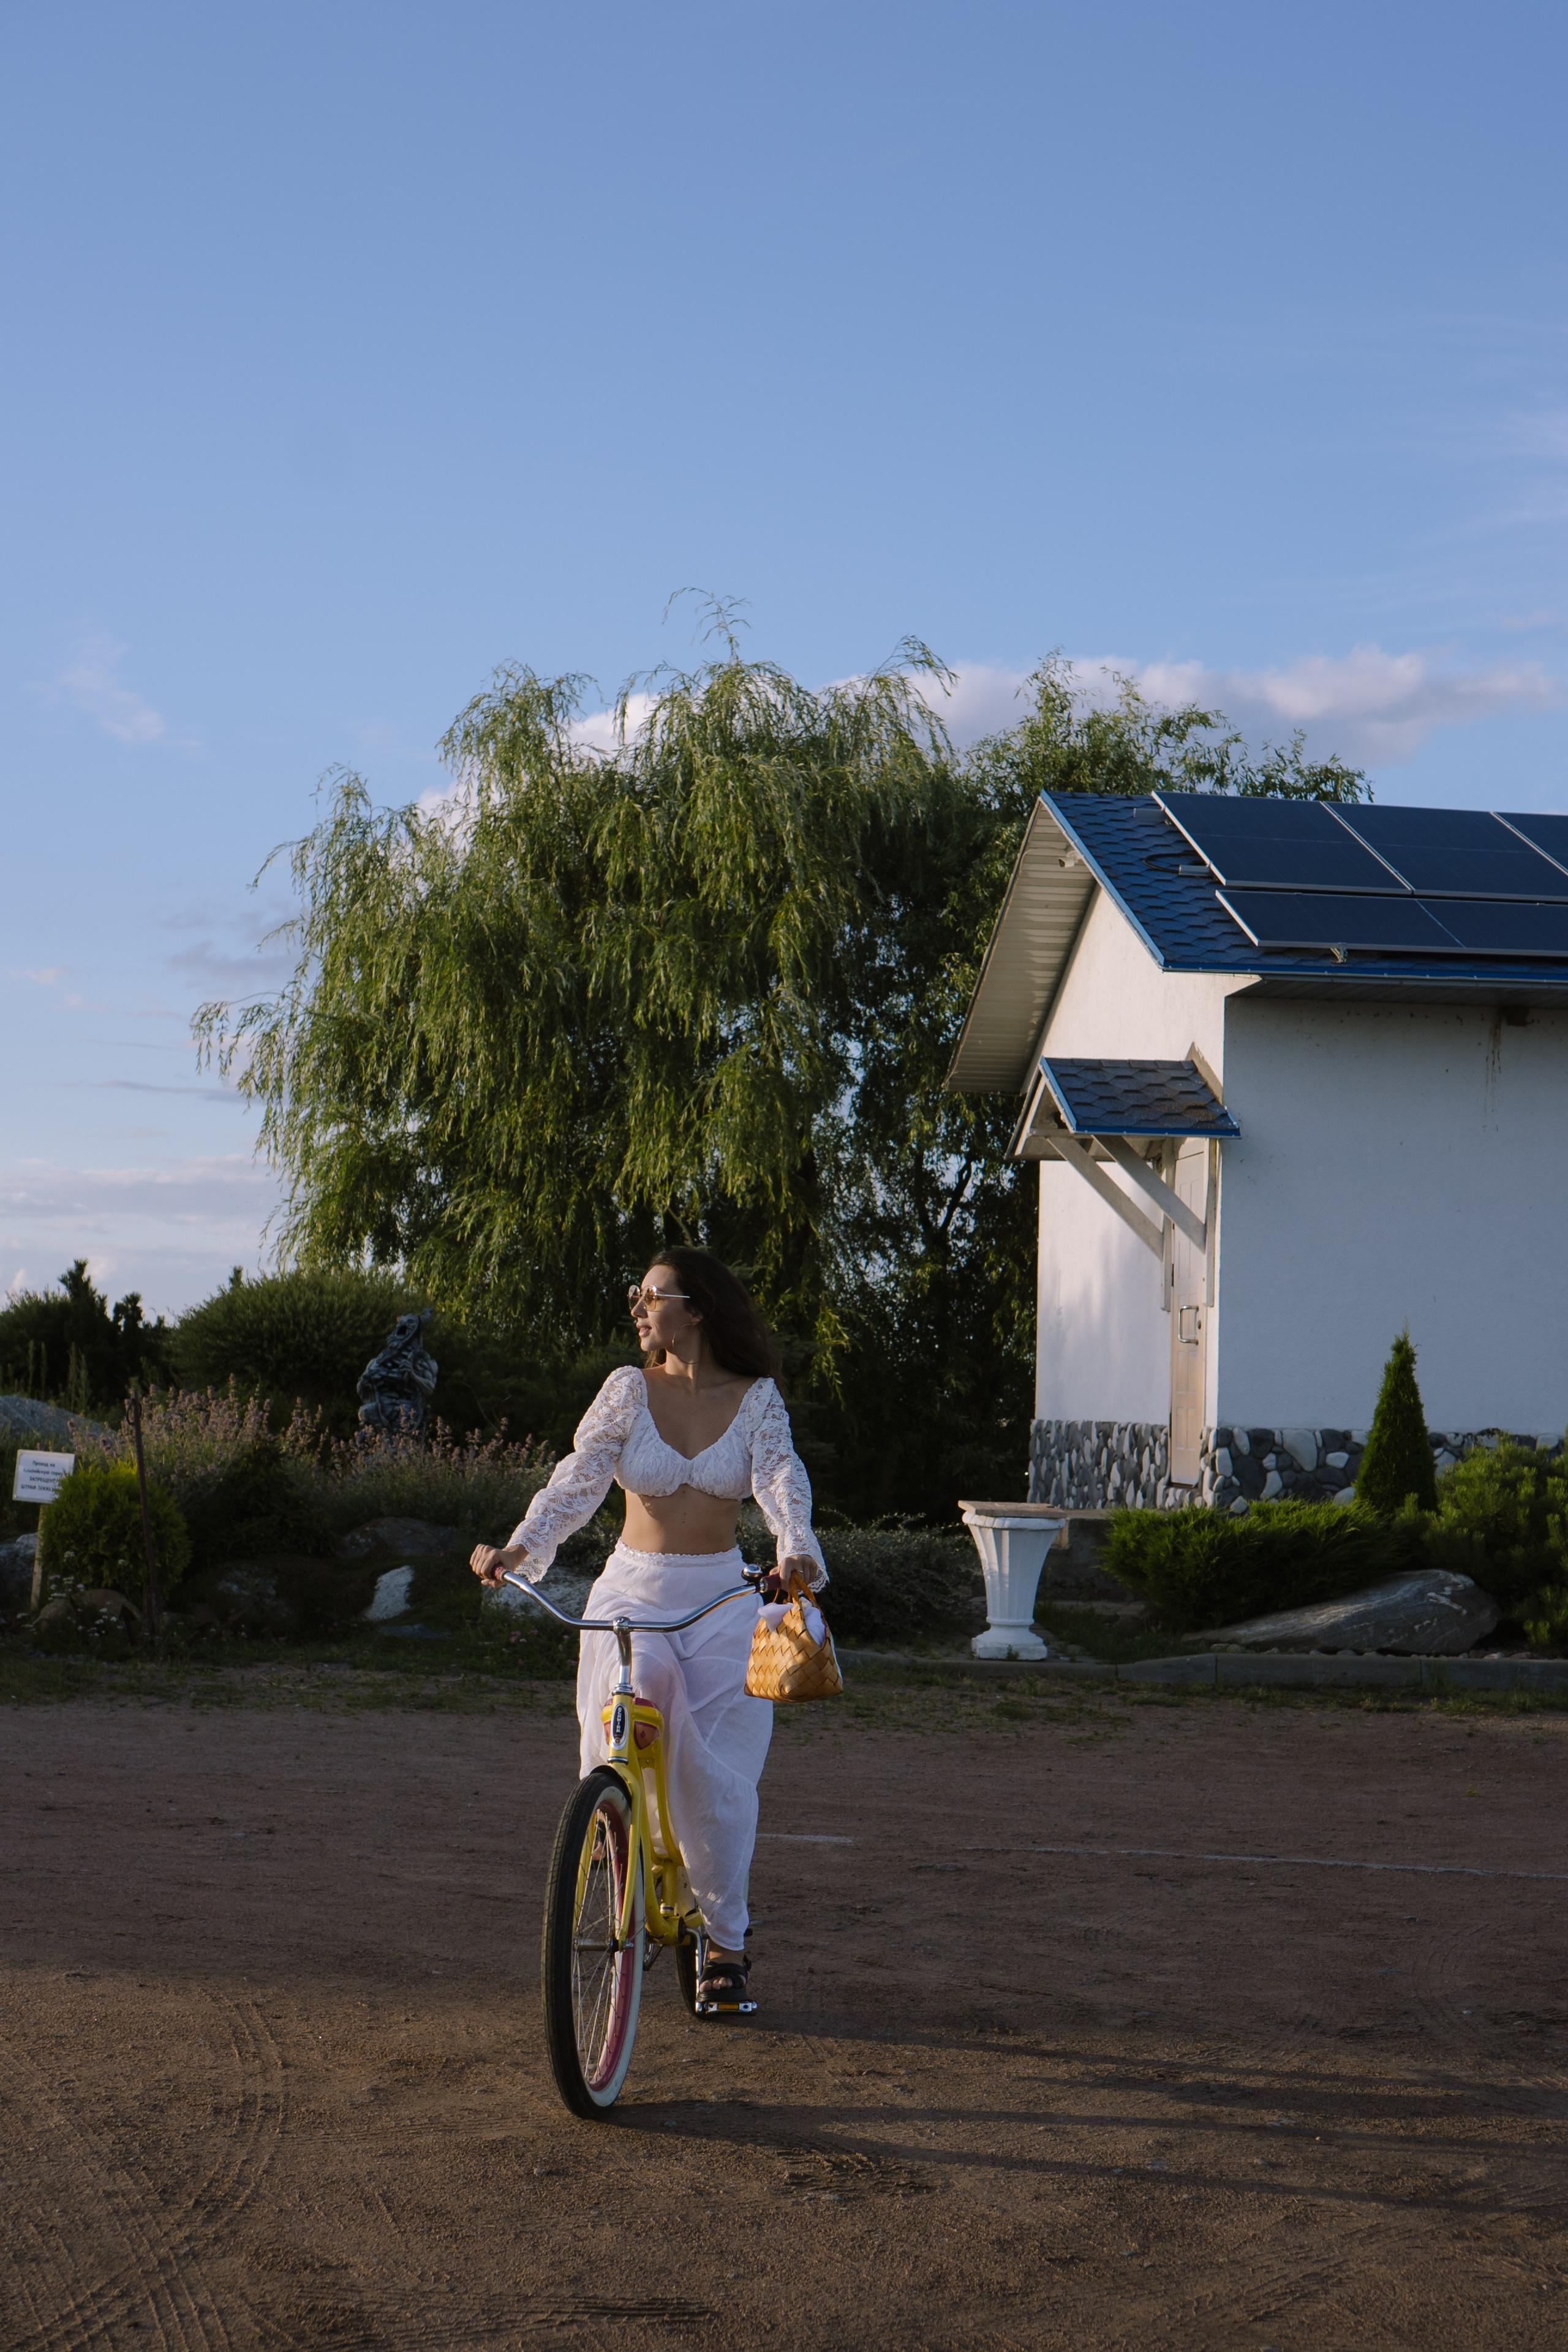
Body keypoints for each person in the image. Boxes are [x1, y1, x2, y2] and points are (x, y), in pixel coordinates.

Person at [470, 1247, 825, 2013]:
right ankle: (615, 1844)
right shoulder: (627, 1390)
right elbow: (578, 1479)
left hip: (722, 1600)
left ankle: (723, 1946)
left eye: (651, 1296)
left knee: (719, 1782)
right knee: (642, 1696)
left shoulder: (756, 1398)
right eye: (636, 1296)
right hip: (632, 1590)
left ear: (694, 1310)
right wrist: (520, 1548)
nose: (637, 1308)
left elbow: (779, 1477)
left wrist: (794, 1549)